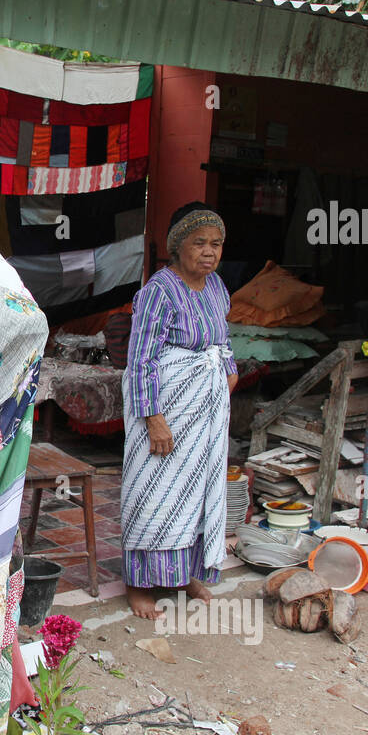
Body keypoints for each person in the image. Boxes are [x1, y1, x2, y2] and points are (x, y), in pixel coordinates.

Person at [121, 203, 238, 619]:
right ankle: (139, 584)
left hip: (204, 410)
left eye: (217, 244)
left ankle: (184, 573)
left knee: (197, 493)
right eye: (200, 243)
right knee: (153, 494)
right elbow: (141, 358)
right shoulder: (158, 290)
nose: (209, 252)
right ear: (178, 246)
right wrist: (153, 418)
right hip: (164, 408)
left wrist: (229, 371)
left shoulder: (217, 288)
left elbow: (222, 341)